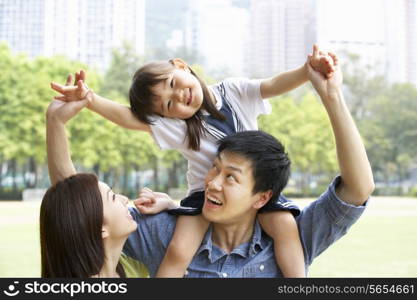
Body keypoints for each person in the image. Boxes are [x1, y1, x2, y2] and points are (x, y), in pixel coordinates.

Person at [50, 45, 335, 278]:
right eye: (169, 105)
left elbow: (272, 85)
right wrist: (90, 99)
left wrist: (307, 72)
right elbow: (129, 117)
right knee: (178, 250)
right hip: (203, 198)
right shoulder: (182, 127)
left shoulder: (234, 91)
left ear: (181, 65)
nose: (180, 96)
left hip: (254, 186)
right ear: (168, 116)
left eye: (174, 83)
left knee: (285, 227)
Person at [121, 52, 375, 277]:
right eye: (214, 168)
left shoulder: (294, 236)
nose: (213, 182)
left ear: (262, 197)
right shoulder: (164, 231)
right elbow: (89, 219)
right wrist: (90, 100)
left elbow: (358, 188)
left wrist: (326, 90)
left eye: (231, 177)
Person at [41, 75, 177, 278]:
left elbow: (71, 200)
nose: (124, 199)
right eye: (112, 197)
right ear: (100, 229)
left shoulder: (129, 267)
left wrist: (55, 122)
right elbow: (73, 204)